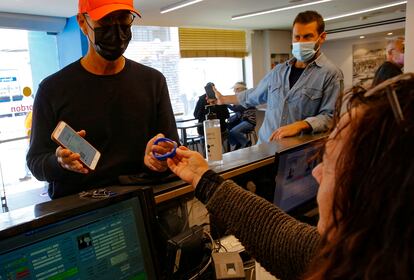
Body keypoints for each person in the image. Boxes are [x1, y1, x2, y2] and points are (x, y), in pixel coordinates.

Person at [167, 73, 414, 279]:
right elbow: (281, 237)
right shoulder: (359, 256)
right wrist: (203, 177)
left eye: (330, 165)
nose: (317, 173)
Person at [27, 0, 179, 199]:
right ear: (82, 22)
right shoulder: (52, 89)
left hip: (143, 200)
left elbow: (171, 145)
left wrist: (160, 157)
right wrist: (59, 162)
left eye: (123, 19)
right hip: (84, 212)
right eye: (106, 20)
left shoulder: (153, 81)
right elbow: (36, 162)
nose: (116, 31)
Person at [214, 11, 343, 143]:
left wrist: (301, 125)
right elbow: (253, 95)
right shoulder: (279, 71)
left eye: (307, 37)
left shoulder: (331, 74)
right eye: (297, 37)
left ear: (321, 37)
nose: (301, 42)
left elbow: (330, 117)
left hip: (297, 153)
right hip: (264, 148)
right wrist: (223, 99)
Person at [227, 81, 256, 149]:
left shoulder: (247, 98)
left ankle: (246, 142)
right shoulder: (240, 99)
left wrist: (225, 102)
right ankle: (239, 143)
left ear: (239, 89)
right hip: (243, 121)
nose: (234, 92)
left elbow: (235, 109)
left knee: (234, 131)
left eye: (236, 90)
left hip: (249, 122)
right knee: (227, 130)